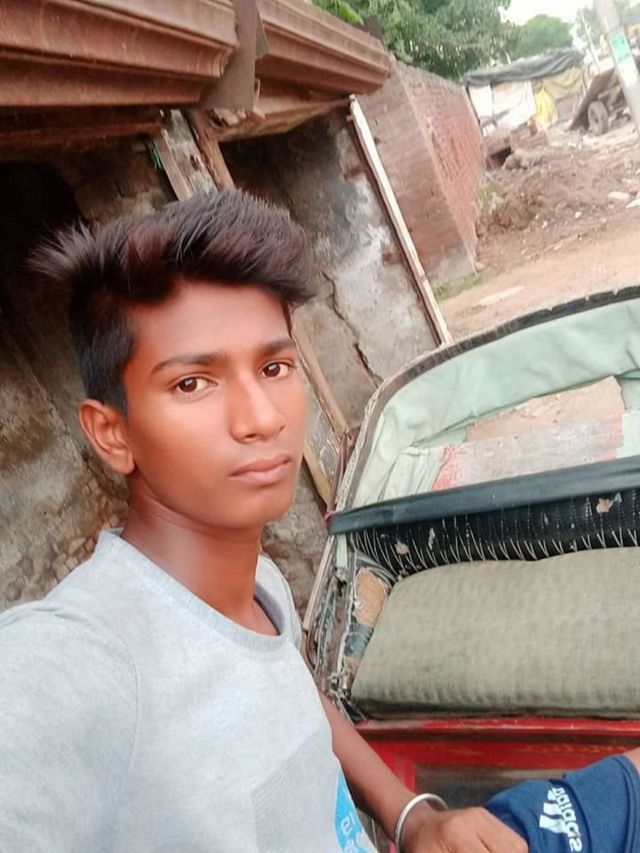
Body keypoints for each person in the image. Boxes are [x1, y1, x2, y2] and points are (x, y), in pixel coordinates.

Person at [0, 190, 523, 852]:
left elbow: (293, 693)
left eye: (274, 367)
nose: (262, 418)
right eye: (193, 383)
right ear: (112, 433)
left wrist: (410, 815)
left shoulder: (262, 585)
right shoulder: (83, 659)